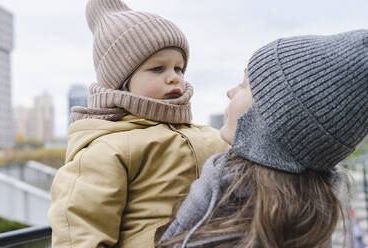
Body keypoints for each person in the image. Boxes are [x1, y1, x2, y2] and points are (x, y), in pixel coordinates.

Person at [158, 29, 368, 248]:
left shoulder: (230, 207)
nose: (230, 92)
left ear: (276, 118)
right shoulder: (304, 213)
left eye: (245, 85)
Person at [47, 0, 229, 247]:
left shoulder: (211, 135)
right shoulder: (107, 148)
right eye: (157, 68)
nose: (174, 78)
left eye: (179, 68)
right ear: (122, 82)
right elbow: (80, 230)